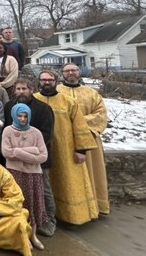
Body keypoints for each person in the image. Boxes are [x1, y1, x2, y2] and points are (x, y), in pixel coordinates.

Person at [35, 70, 98, 227]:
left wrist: (81, 149)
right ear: (39, 82)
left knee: (67, 180)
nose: (47, 82)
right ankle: (47, 214)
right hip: (41, 148)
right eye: (43, 80)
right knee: (46, 184)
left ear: (56, 81)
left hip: (65, 148)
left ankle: (71, 216)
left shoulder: (68, 101)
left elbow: (79, 126)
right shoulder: (34, 99)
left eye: (50, 79)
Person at [57, 63, 110, 215]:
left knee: (93, 173)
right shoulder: (57, 92)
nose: (70, 73)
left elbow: (100, 115)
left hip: (89, 140)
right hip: (64, 140)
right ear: (62, 74)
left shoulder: (91, 93)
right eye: (67, 71)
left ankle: (95, 207)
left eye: (73, 70)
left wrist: (76, 122)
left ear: (79, 72)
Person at [1, 104, 47, 251]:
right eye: (20, 116)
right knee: (19, 204)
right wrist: (32, 151)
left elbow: (43, 156)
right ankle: (22, 235)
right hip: (15, 173)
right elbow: (6, 152)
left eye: (25, 116)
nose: (22, 119)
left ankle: (33, 235)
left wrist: (18, 152)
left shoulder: (36, 133)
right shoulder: (8, 131)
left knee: (33, 203)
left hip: (34, 175)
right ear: (15, 115)